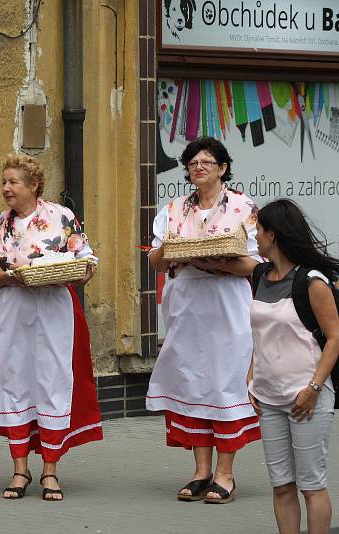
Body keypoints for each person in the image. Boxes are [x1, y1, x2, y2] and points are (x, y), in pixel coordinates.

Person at [0, 154, 102, 501]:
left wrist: (81, 271)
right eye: (4, 182)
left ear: (34, 184)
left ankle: (50, 471)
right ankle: (18, 470)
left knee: (52, 380)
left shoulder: (61, 217)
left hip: (54, 310)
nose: (6, 188)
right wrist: (13, 276)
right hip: (11, 311)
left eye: (13, 182)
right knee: (13, 381)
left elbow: (86, 261)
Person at [146, 136, 261, 504]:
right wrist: (169, 246)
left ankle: (225, 474)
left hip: (226, 300)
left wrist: (218, 261)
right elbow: (156, 261)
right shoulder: (174, 208)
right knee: (192, 379)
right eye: (193, 163)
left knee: (225, 382)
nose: (198, 168)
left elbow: (256, 265)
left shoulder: (243, 207)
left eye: (207, 162)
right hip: (187, 301)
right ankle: (200, 471)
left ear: (223, 168)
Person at [248, 199, 339, 534]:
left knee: (311, 484)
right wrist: (251, 375)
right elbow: (261, 332)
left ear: (273, 234)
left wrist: (314, 389)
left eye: (258, 230)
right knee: (282, 485)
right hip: (269, 399)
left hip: (307, 399)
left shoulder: (312, 281)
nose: (254, 236)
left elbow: (334, 338)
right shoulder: (259, 274)